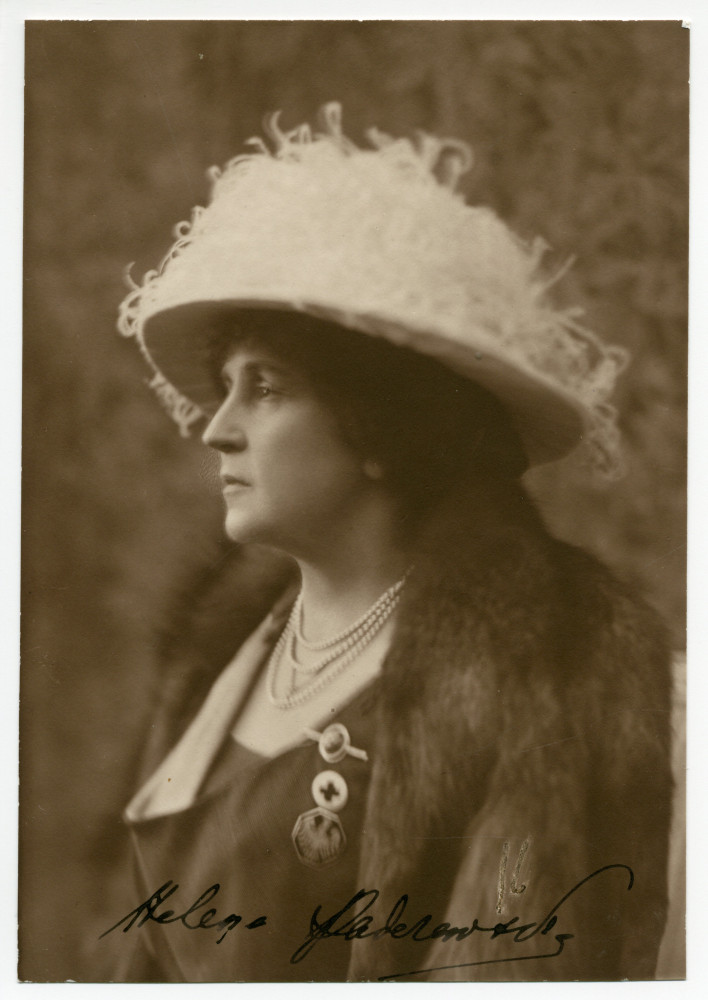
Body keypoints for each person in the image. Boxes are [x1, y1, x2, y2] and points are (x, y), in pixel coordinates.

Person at [111, 103, 673, 982]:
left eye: (267, 387)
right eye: (225, 386)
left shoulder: (540, 667)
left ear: (379, 424)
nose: (217, 428)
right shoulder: (223, 649)